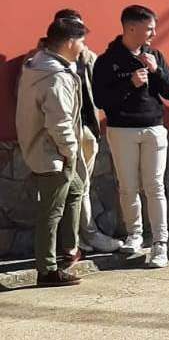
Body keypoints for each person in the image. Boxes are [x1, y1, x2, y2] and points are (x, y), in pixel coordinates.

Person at [93, 4, 169, 269]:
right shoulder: (107, 60)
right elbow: (101, 99)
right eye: (149, 27)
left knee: (154, 187)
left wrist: (157, 71)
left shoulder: (155, 55)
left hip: (153, 128)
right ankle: (135, 235)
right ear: (132, 27)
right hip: (121, 130)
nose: (153, 32)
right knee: (128, 186)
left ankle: (160, 244)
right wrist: (129, 84)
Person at [16, 13, 90, 287]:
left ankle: (68, 251)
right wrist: (70, 151)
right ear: (70, 41)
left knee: (75, 190)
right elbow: (59, 122)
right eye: (81, 40)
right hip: (54, 153)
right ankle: (48, 269)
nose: (83, 46)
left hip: (46, 149)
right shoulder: (55, 76)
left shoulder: (37, 64)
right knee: (51, 210)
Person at [73, 29, 121, 254]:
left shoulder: (89, 58)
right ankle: (78, 237)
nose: (83, 41)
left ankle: (85, 234)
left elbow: (100, 92)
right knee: (71, 187)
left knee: (83, 185)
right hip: (60, 134)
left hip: (87, 129)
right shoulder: (39, 63)